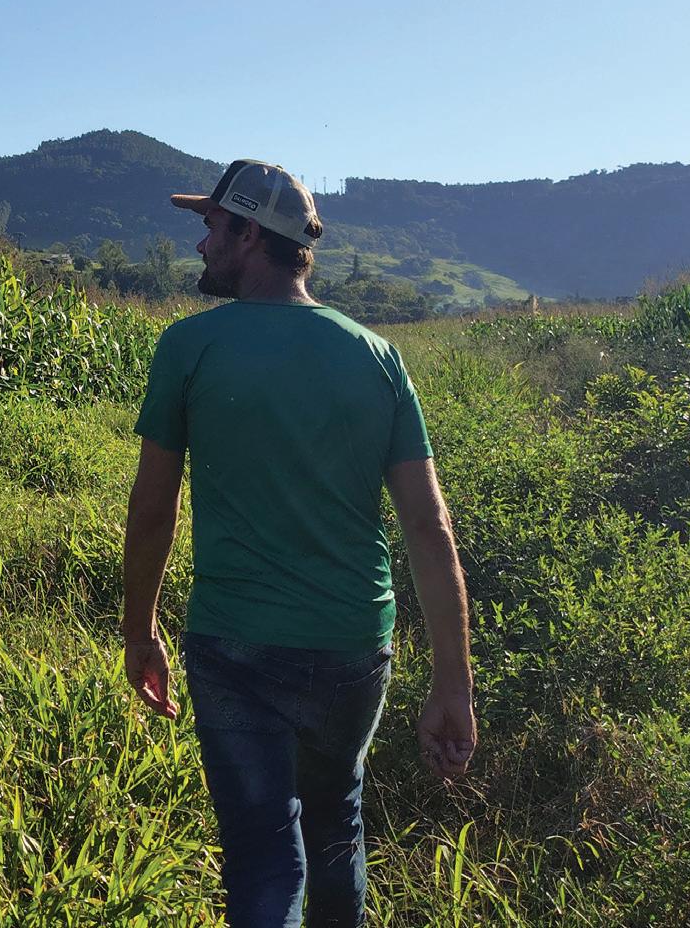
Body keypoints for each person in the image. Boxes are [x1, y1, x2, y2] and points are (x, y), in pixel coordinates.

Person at [121, 159, 476, 928]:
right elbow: (429, 527)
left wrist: (140, 630)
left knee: (263, 854)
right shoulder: (376, 356)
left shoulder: (189, 346)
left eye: (213, 225)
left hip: (234, 646)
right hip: (352, 645)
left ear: (250, 234)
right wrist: (454, 686)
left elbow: (153, 511)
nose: (202, 243)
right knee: (335, 825)